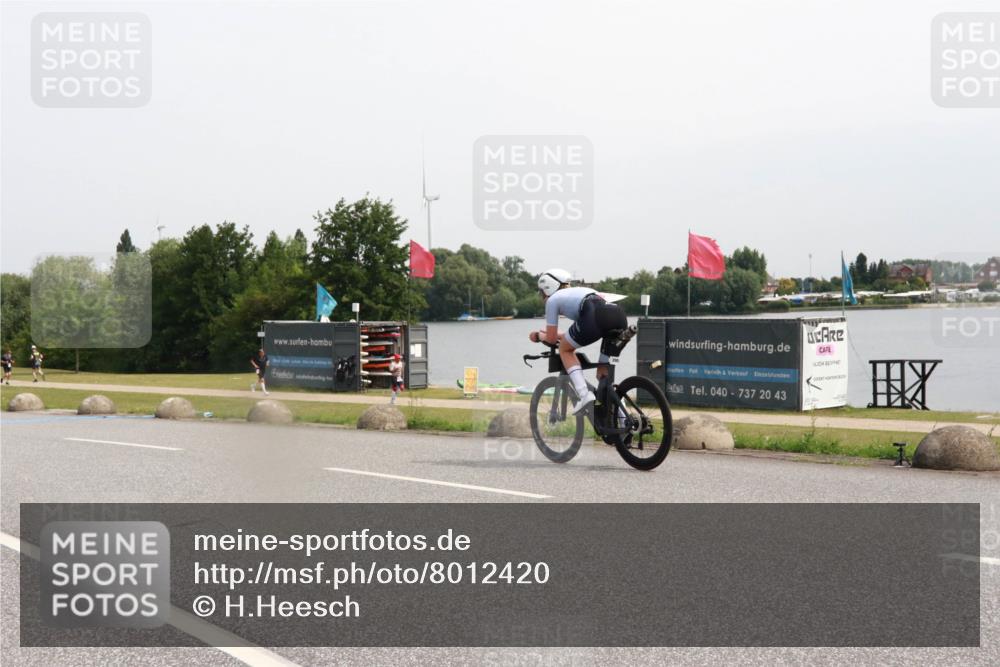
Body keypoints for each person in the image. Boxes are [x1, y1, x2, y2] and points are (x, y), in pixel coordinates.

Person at [529, 268, 627, 413]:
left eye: (541, 292)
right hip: (618, 316)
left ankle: (584, 394)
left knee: (565, 349)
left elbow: (551, 339)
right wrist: (556, 335)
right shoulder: (579, 291)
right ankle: (625, 419)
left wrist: (538, 336)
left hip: (595, 317)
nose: (541, 296)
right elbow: (577, 332)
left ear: (548, 288)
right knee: (603, 375)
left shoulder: (553, 300)